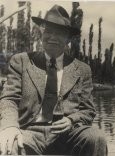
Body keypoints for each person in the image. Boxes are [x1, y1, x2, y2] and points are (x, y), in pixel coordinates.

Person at [0, 5, 107, 155]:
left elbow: (88, 110)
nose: (52, 37)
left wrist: (71, 120)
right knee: (9, 144)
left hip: (68, 134)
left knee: (96, 138)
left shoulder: (82, 69)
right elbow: (9, 99)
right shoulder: (21, 61)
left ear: (68, 39)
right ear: (41, 33)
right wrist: (10, 126)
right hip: (29, 132)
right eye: (48, 31)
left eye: (59, 33)